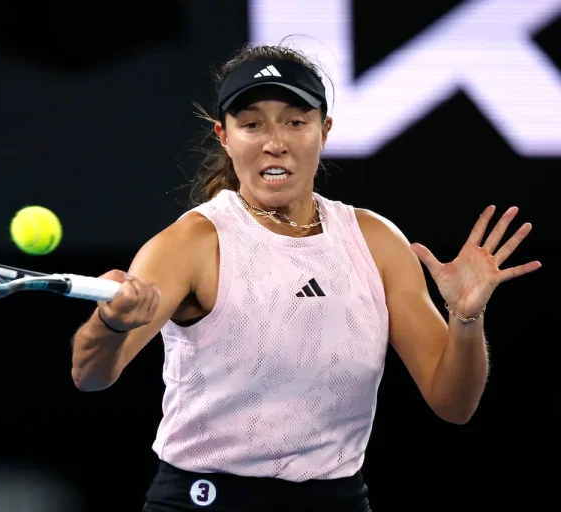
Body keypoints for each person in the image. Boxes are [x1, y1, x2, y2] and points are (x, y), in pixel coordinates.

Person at [70, 43, 541, 512]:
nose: (275, 142)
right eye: (252, 124)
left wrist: (466, 318)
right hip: (205, 501)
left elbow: (454, 405)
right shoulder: (189, 244)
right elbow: (90, 377)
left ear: (324, 130)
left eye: (295, 122)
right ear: (224, 136)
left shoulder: (376, 242)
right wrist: (110, 324)